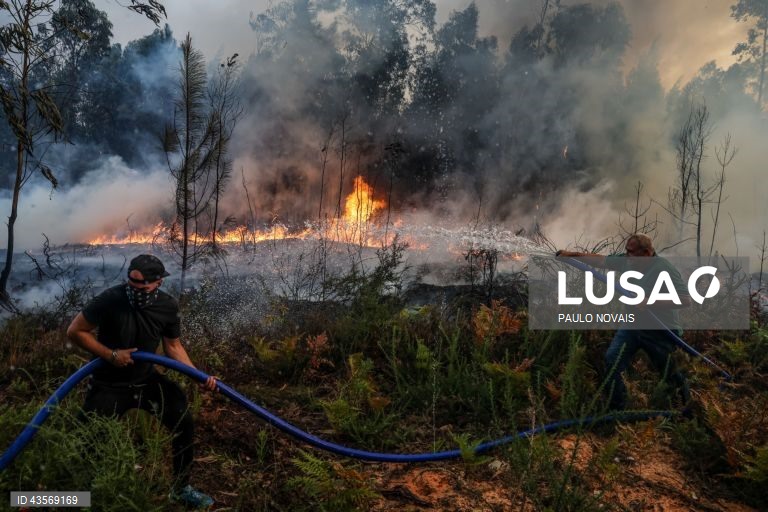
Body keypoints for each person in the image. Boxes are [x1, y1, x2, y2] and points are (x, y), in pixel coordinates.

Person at [67, 254, 217, 508]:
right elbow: (75, 331)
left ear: (158, 283)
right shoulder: (109, 299)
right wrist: (110, 355)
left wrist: (198, 376)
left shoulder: (167, 306)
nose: (136, 290)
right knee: (86, 443)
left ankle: (181, 489)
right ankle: (80, 498)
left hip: (145, 381)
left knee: (183, 419)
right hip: (108, 384)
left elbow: (173, 347)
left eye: (143, 286)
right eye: (132, 284)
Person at [556, 234, 692, 411]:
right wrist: (571, 255)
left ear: (647, 253)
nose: (628, 257)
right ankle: (618, 408)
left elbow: (685, 300)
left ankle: (686, 411)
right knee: (613, 359)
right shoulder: (627, 262)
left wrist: (650, 300)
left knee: (671, 373)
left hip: (661, 330)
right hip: (632, 326)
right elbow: (601, 261)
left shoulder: (664, 269)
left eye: (632, 253)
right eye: (627, 252)